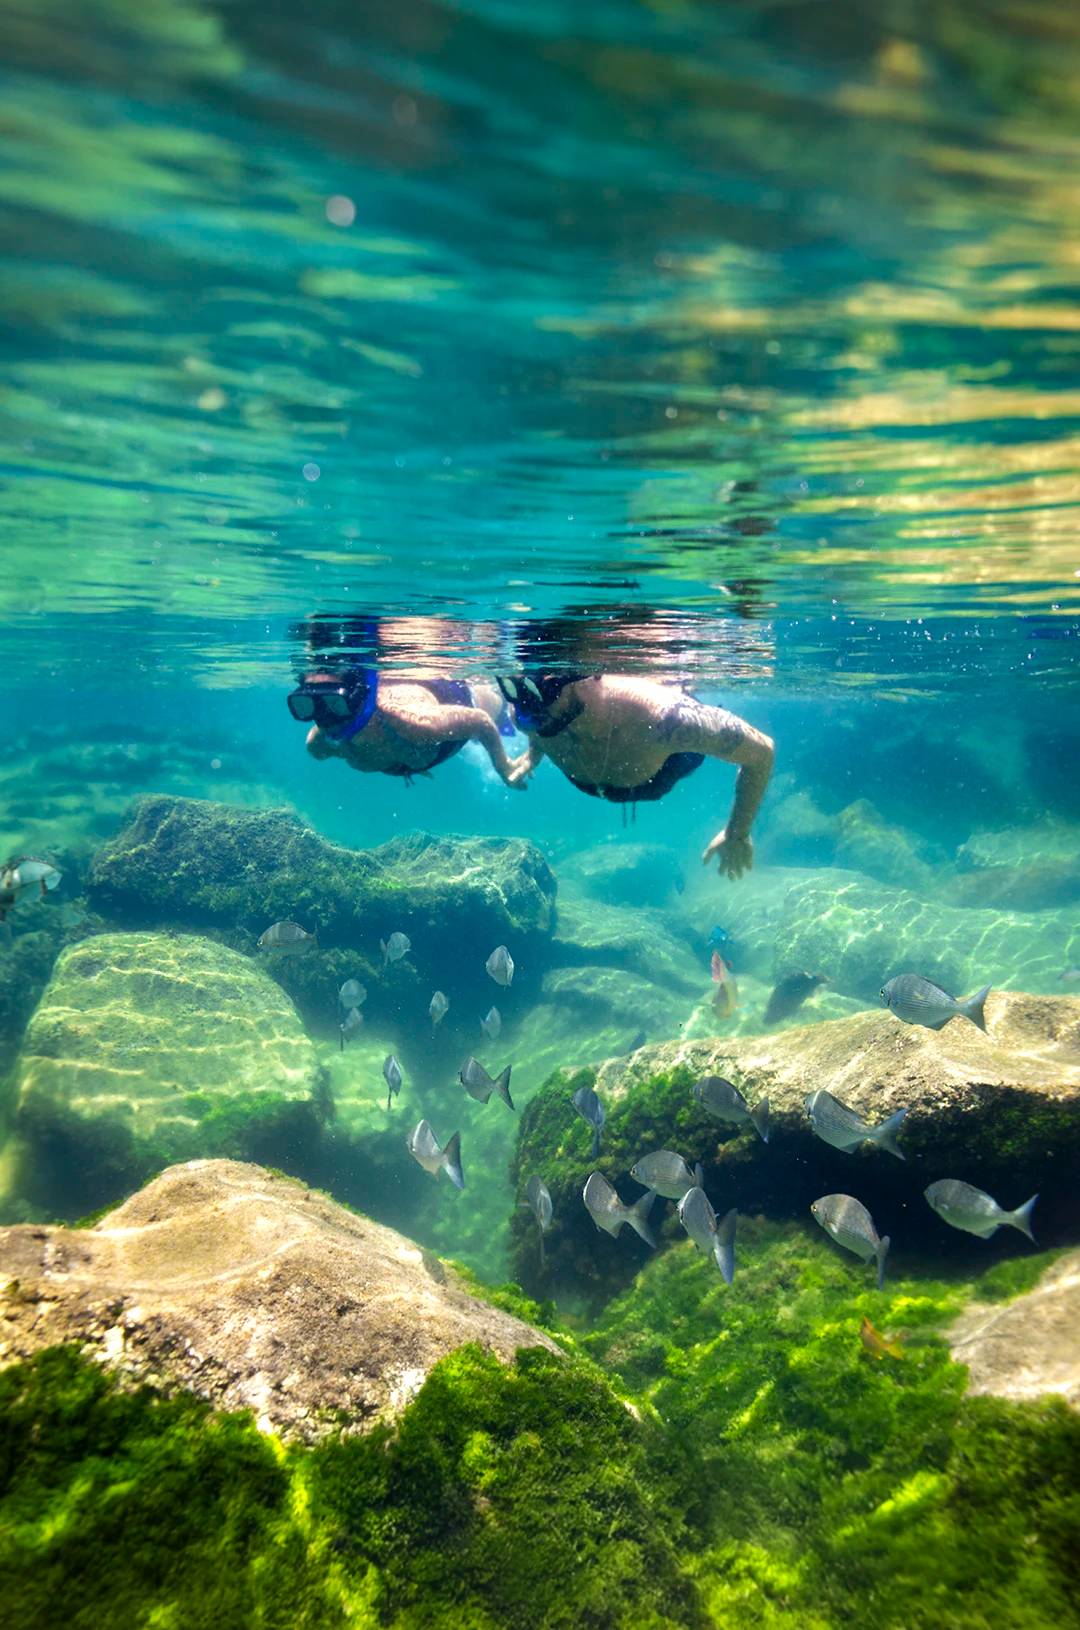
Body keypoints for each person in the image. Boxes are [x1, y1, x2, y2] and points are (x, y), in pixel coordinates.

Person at [497, 673, 773, 878]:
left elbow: (761, 752)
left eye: (543, 690)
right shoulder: (525, 709)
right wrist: (534, 755)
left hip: (662, 771)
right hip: (600, 777)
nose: (528, 710)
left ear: (588, 676)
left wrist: (737, 833)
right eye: (516, 690)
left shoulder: (668, 720)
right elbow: (536, 720)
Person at [289, 664, 525, 786]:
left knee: (495, 709)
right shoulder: (320, 744)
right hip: (417, 750)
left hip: (457, 698)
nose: (323, 717)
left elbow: (480, 722)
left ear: (356, 699)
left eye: (334, 702)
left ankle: (505, 706)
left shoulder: (413, 722)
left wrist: (503, 767)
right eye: (309, 704)